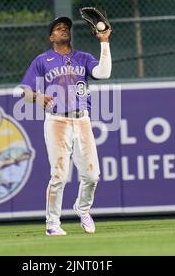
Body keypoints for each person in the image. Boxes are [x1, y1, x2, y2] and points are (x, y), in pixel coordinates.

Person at [19, 16, 112, 236]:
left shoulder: (83, 57)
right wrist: (37, 97)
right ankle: (52, 223)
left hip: (82, 119)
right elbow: (25, 91)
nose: (63, 30)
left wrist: (104, 42)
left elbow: (103, 73)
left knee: (92, 176)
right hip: (56, 120)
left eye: (66, 28)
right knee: (59, 175)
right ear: (51, 37)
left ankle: (83, 209)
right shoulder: (42, 60)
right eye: (58, 28)